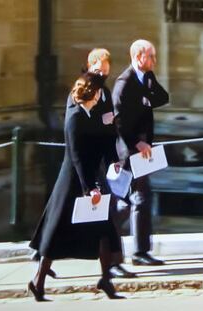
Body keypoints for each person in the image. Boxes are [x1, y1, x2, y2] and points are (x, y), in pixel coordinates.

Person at [28, 72, 125, 301]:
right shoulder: (74, 117)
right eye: (100, 92)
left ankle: (105, 280)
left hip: (93, 178)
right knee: (56, 232)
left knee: (104, 230)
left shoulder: (96, 114)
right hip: (73, 180)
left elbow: (105, 142)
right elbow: (76, 156)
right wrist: (89, 187)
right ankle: (38, 281)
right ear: (94, 93)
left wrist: (114, 162)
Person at [112, 39, 169, 266]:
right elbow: (118, 120)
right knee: (126, 202)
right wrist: (136, 143)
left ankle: (140, 251)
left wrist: (146, 94)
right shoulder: (123, 83)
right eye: (151, 56)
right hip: (129, 151)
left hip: (143, 149)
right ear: (138, 57)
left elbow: (163, 98)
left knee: (141, 199)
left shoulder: (146, 78)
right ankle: (111, 249)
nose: (155, 60)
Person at [84, 48, 136, 278]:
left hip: (103, 163)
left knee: (113, 210)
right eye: (99, 70)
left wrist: (113, 159)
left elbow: (108, 130)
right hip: (87, 164)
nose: (103, 74)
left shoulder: (104, 92)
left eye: (105, 71)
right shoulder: (83, 89)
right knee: (66, 215)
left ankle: (113, 262)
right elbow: (78, 126)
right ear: (91, 65)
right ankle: (45, 255)